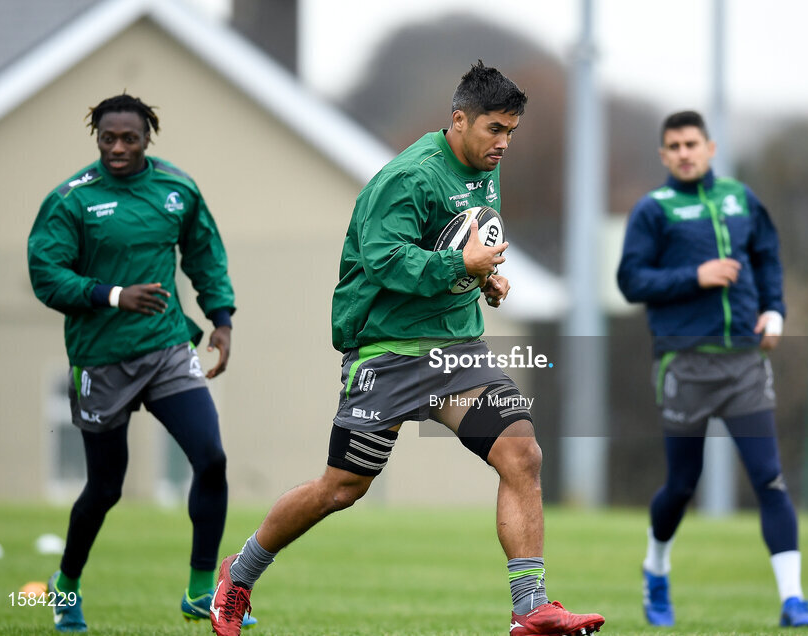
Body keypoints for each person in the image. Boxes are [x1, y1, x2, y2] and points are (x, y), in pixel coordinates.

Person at [209, 61, 605, 636]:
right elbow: (386, 260)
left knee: (522, 454)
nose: (504, 143)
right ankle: (238, 575)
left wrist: (481, 279)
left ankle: (531, 609)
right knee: (341, 488)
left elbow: (462, 240)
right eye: (494, 129)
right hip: (387, 350)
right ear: (459, 120)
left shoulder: (483, 167)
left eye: (511, 132)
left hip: (454, 347)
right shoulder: (409, 178)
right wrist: (457, 265)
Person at [27, 93, 255, 632]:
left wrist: (220, 318)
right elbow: (45, 273)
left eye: (130, 138)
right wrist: (111, 295)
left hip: (168, 350)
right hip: (100, 360)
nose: (118, 148)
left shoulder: (176, 189)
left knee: (212, 459)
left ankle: (202, 591)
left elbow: (205, 254)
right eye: (108, 139)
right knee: (106, 488)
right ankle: (66, 585)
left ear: (149, 137)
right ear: (97, 138)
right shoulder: (70, 201)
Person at [616, 110, 808, 628]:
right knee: (682, 484)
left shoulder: (740, 199)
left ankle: (794, 600)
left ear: (709, 148)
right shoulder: (653, 211)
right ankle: (656, 567)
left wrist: (775, 310)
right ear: (664, 155)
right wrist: (696, 275)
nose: (685, 152)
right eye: (674, 146)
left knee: (769, 480)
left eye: (692, 143)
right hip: (684, 365)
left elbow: (768, 258)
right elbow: (631, 281)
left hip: (746, 363)